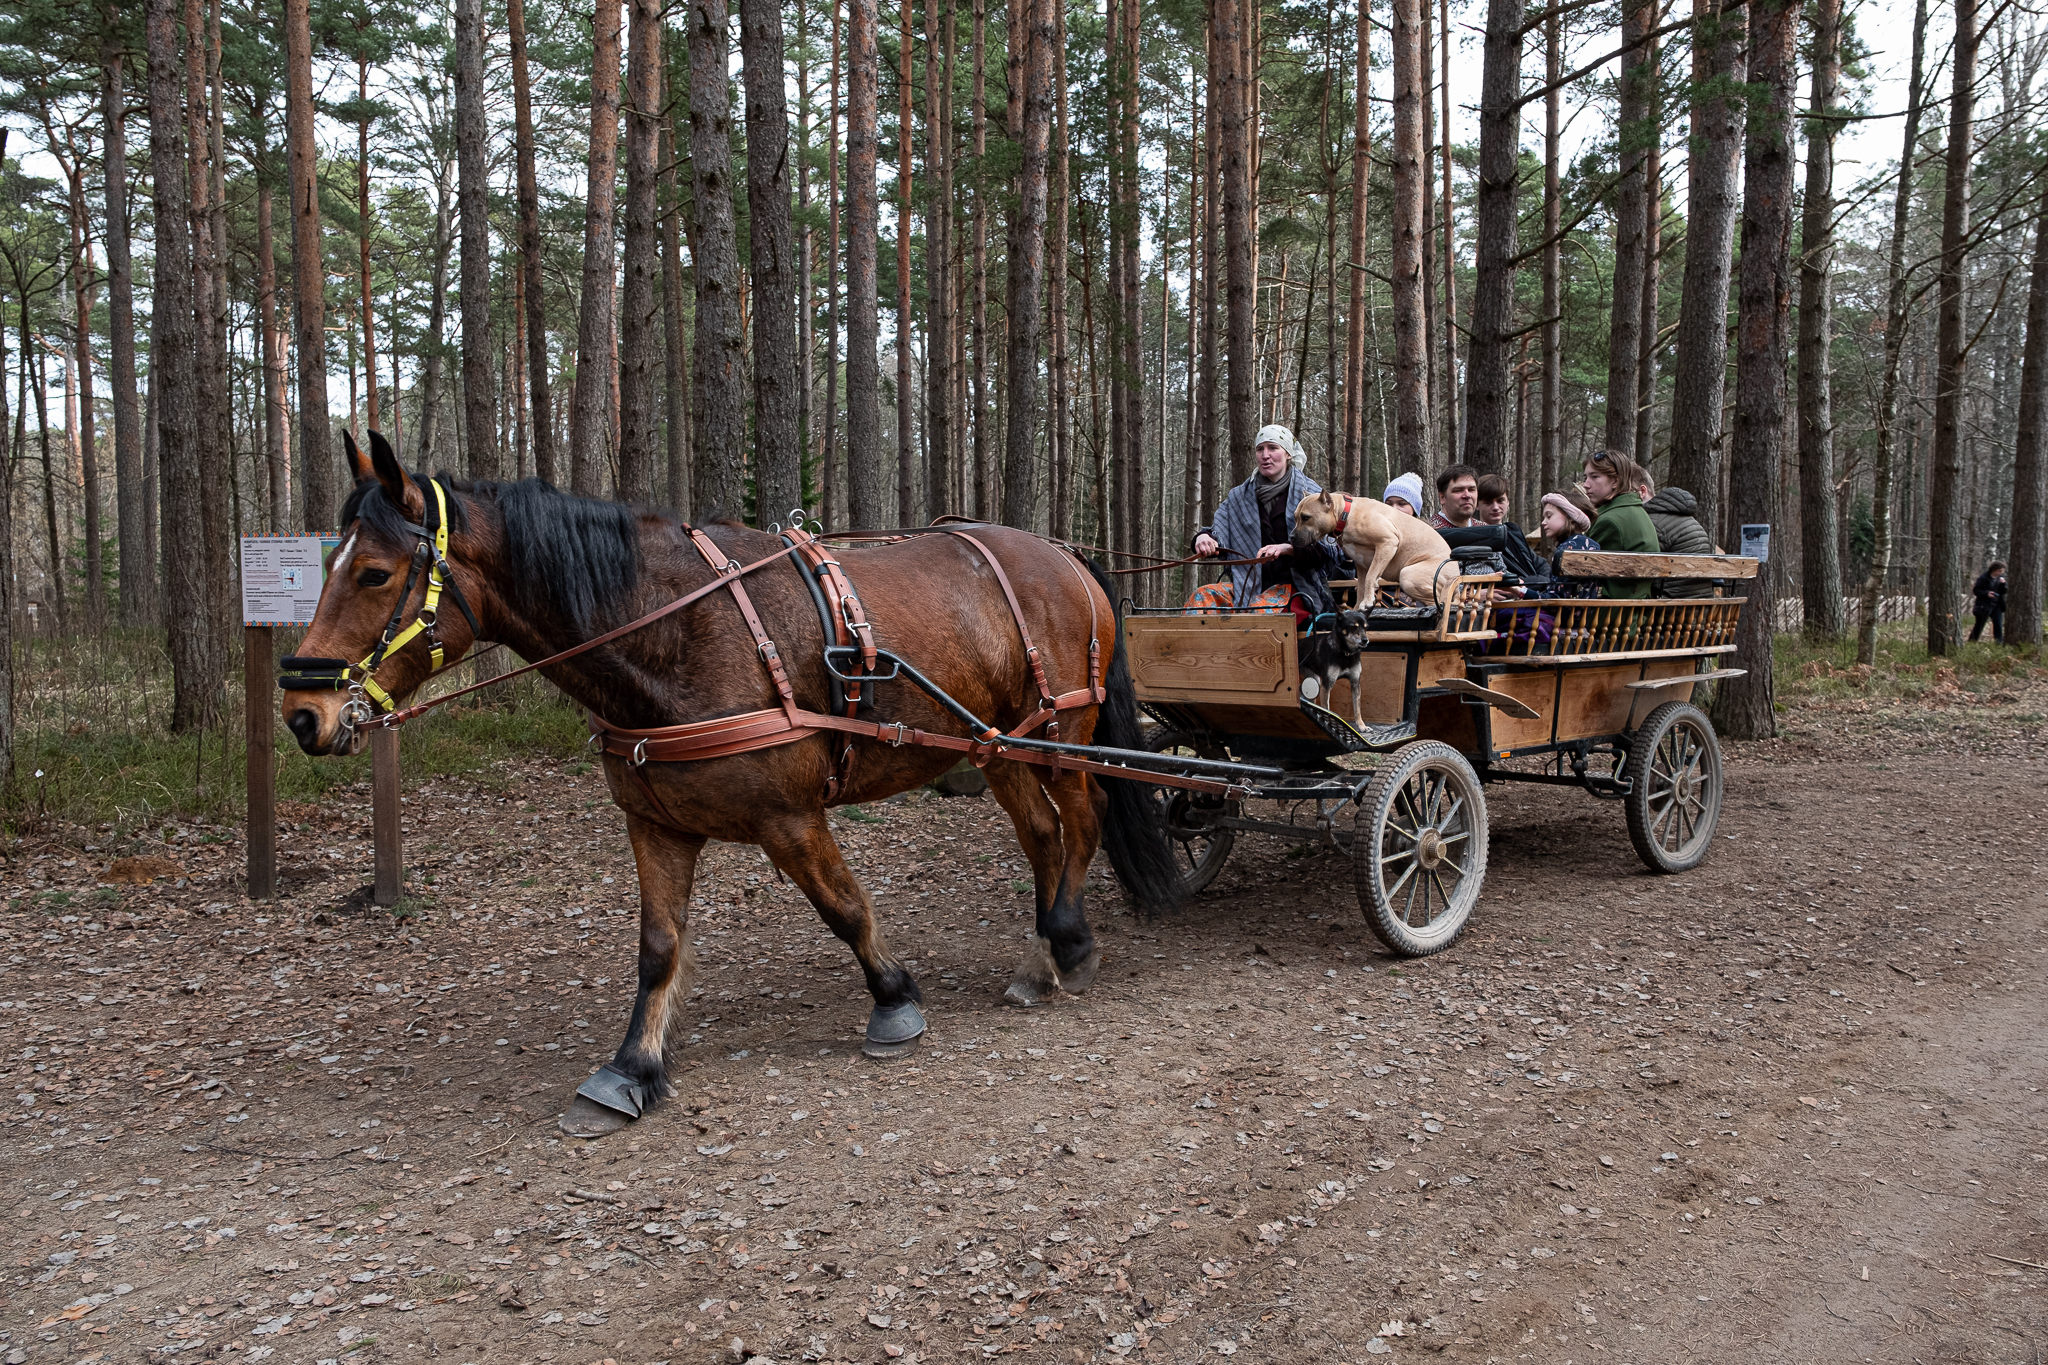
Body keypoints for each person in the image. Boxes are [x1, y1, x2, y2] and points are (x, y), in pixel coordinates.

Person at [1186, 425, 1342, 621]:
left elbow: (1329, 552)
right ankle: (1197, 652)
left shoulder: (1311, 495)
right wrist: (1203, 538)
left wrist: (1289, 549)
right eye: (1260, 449)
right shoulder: (1238, 496)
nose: (1265, 455)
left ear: (1288, 454)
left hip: (1296, 589)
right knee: (1201, 597)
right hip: (1247, 587)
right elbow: (1217, 532)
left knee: (1257, 614)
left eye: (1272, 448)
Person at [1581, 448, 1660, 598]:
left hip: (1613, 615)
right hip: (1637, 613)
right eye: (1586, 477)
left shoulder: (1610, 522)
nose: (1586, 484)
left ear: (1616, 481)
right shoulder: (1637, 511)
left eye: (1595, 477)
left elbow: (1582, 574)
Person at [1637, 474, 1717, 598]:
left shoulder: (1653, 522)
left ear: (1643, 491)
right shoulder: (1692, 522)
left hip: (1669, 606)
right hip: (1699, 604)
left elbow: (1639, 566)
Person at [1539, 491, 1603, 598]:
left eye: (1549, 516)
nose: (1543, 522)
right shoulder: (1592, 545)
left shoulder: (1567, 549)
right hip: (1587, 613)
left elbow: (1556, 600)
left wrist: (1521, 591)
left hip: (1563, 613)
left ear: (1571, 516)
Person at [1432, 464, 1480, 529]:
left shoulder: (1486, 530)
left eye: (1471, 490)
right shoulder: (1429, 531)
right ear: (1442, 497)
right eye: (1458, 490)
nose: (1467, 495)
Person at [1971, 561, 2008, 643]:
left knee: (1998, 624)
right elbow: (1976, 590)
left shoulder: (2001, 579)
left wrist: (2003, 584)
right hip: (1984, 605)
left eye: (2002, 571)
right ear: (1994, 570)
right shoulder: (1983, 578)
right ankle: (1972, 642)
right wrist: (1986, 593)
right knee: (1980, 624)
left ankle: (1999, 643)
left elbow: (2004, 591)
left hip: (1997, 604)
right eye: (1999, 571)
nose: (2001, 573)